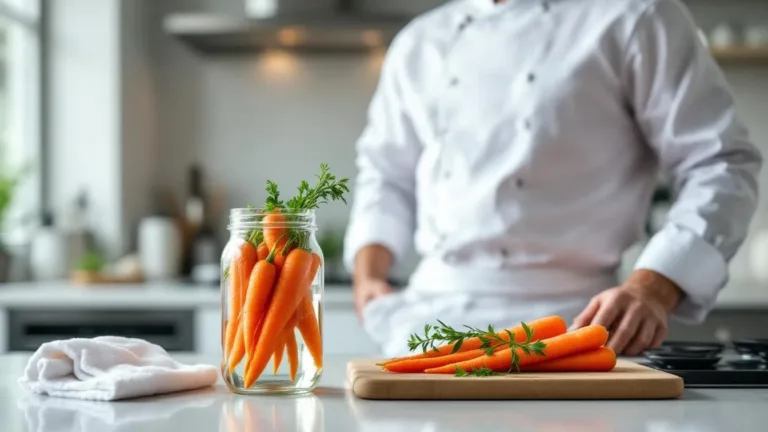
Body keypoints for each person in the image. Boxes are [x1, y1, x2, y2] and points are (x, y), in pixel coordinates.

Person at [344, 0, 762, 357]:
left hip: (578, 327)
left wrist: (653, 287)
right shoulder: (420, 42)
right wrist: (368, 274)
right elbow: (386, 173)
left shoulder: (635, 16)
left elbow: (719, 162)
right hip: (426, 329)